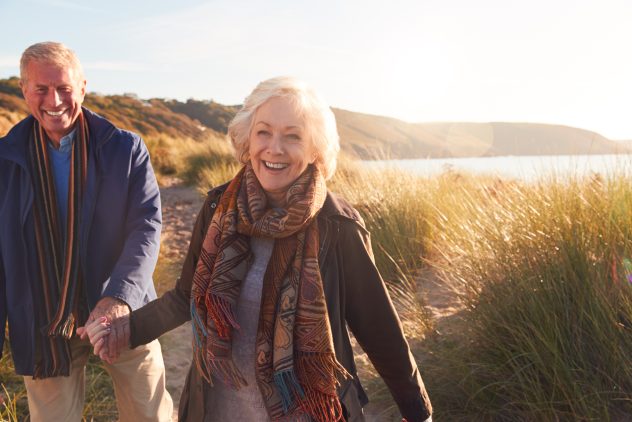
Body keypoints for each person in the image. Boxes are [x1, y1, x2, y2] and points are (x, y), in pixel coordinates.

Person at [82, 76, 433, 421]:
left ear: (315, 150)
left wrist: (418, 412)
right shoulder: (220, 208)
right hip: (218, 408)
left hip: (308, 412)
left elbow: (379, 329)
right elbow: (185, 296)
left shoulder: (337, 225)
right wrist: (123, 330)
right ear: (247, 139)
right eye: (264, 132)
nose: (275, 148)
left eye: (292, 136)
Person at [0, 42, 173, 421]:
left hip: (123, 311)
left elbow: (146, 226)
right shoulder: (5, 158)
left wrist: (119, 299)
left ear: (82, 87)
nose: (54, 100)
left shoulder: (125, 149)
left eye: (64, 88)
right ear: (23, 90)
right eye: (41, 89)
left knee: (150, 414)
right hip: (42, 320)